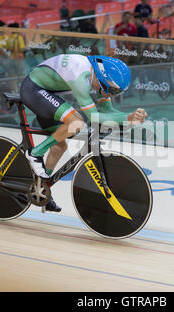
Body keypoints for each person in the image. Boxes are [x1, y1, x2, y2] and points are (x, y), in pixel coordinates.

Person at [20, 54, 147, 211]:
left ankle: (42, 188)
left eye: (115, 92)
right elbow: (95, 117)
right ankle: (35, 153)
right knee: (76, 122)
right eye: (111, 90)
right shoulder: (80, 77)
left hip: (46, 93)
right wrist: (127, 118)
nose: (109, 95)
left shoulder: (99, 75)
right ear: (103, 79)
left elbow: (108, 110)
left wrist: (129, 118)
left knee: (59, 147)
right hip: (33, 90)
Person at [5, 22, 26, 91]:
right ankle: (23, 90)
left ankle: (14, 91)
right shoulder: (19, 38)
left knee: (12, 76)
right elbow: (22, 49)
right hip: (19, 59)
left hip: (11, 59)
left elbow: (7, 49)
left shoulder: (9, 39)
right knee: (22, 75)